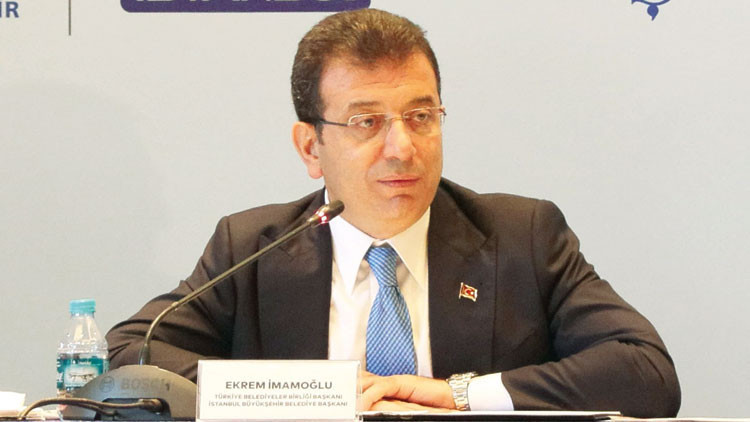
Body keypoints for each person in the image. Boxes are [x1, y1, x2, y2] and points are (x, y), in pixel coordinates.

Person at [106, 8, 680, 417]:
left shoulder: (521, 237)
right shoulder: (253, 246)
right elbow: (130, 353)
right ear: (310, 148)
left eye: (420, 116)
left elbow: (646, 373)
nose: (402, 147)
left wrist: (460, 395)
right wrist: (302, 393)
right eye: (367, 122)